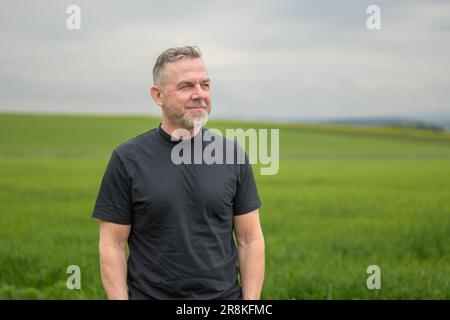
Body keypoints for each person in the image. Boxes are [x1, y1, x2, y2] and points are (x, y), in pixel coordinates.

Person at [92, 46, 265, 300]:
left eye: (205, 85)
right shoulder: (127, 159)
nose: (199, 94)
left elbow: (250, 239)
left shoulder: (232, 155)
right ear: (158, 95)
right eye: (186, 86)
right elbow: (112, 245)